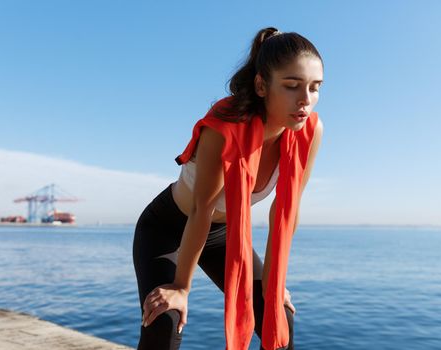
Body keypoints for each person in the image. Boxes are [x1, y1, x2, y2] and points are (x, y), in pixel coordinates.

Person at [133, 27, 324, 350]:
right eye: (292, 86)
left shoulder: (309, 131)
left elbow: (286, 211)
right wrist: (181, 287)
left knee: (279, 317)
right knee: (165, 319)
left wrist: (273, 284)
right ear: (262, 85)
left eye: (315, 88)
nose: (305, 100)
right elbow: (200, 210)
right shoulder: (223, 128)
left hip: (222, 234)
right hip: (168, 228)